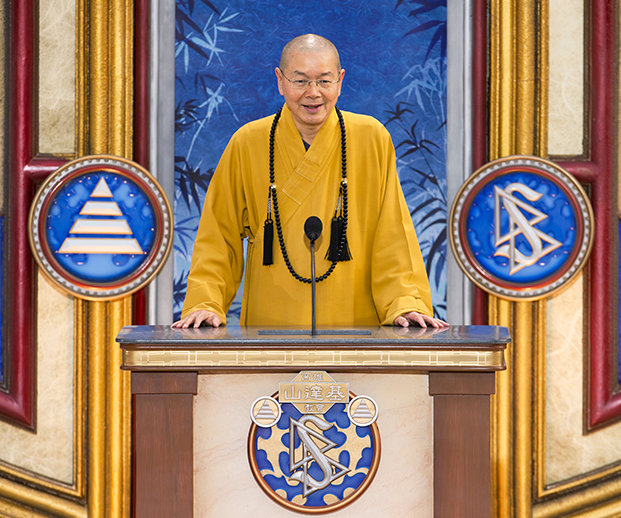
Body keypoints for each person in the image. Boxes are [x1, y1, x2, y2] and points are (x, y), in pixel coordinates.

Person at [173, 34, 447, 330]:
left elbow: (393, 234)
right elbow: (218, 236)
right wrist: (206, 303)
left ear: (340, 81)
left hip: (357, 326)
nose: (313, 93)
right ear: (280, 81)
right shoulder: (248, 142)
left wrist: (405, 302)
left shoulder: (371, 138)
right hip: (270, 323)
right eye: (300, 81)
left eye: (324, 81)